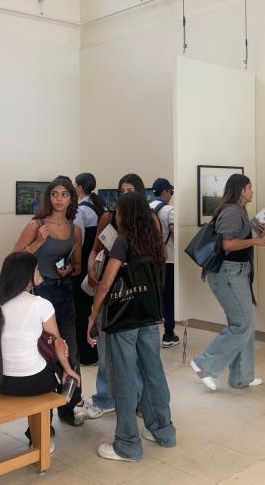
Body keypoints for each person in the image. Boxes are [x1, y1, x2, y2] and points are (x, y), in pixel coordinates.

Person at [87, 192, 176, 461]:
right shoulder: (153, 240)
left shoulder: (123, 241)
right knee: (153, 372)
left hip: (123, 319)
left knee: (124, 378)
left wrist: (93, 314)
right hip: (148, 316)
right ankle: (163, 429)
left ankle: (127, 443)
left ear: (124, 214)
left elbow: (105, 283)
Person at [0, 252, 81, 453]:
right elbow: (57, 344)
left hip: (1, 381)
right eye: (36, 269)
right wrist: (69, 369)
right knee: (61, 361)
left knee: (41, 357)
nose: (39, 272)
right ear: (27, 275)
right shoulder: (41, 304)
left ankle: (38, 433)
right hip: (33, 382)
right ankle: (41, 434)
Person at [83, 173, 159, 420]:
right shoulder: (108, 216)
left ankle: (136, 400)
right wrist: (92, 268)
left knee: (136, 356)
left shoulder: (150, 220)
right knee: (107, 353)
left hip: (135, 294)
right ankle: (106, 398)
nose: (125, 194)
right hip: (110, 289)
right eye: (122, 190)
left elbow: (154, 258)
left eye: (130, 190)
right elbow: (95, 249)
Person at [12, 176, 85, 427]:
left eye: (64, 194)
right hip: (38, 291)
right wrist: (39, 242)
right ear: (48, 197)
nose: (59, 199)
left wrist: (70, 270)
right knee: (43, 350)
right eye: (54, 194)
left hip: (63, 291)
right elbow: (15, 257)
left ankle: (69, 406)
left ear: (71, 198)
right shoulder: (37, 224)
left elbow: (76, 264)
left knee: (69, 348)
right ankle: (43, 419)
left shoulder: (75, 229)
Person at [191, 174, 265, 391]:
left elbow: (238, 238)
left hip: (237, 272)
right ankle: (204, 364)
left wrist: (257, 231)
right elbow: (227, 244)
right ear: (240, 190)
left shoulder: (238, 210)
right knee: (242, 323)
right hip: (228, 273)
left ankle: (242, 377)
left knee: (246, 322)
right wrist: (256, 240)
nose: (252, 191)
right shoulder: (231, 211)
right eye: (249, 187)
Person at [73, 173, 106, 366]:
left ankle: (86, 353)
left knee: (82, 308)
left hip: (85, 262)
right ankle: (97, 350)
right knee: (96, 306)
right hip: (99, 263)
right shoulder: (100, 206)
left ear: (79, 187)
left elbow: (79, 240)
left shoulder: (81, 210)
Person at [150, 178, 179, 348]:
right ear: (165, 192)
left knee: (155, 297)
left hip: (149, 261)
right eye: (171, 192)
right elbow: (175, 234)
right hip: (169, 260)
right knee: (169, 298)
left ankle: (150, 335)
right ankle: (168, 335)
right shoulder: (169, 210)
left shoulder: (146, 208)